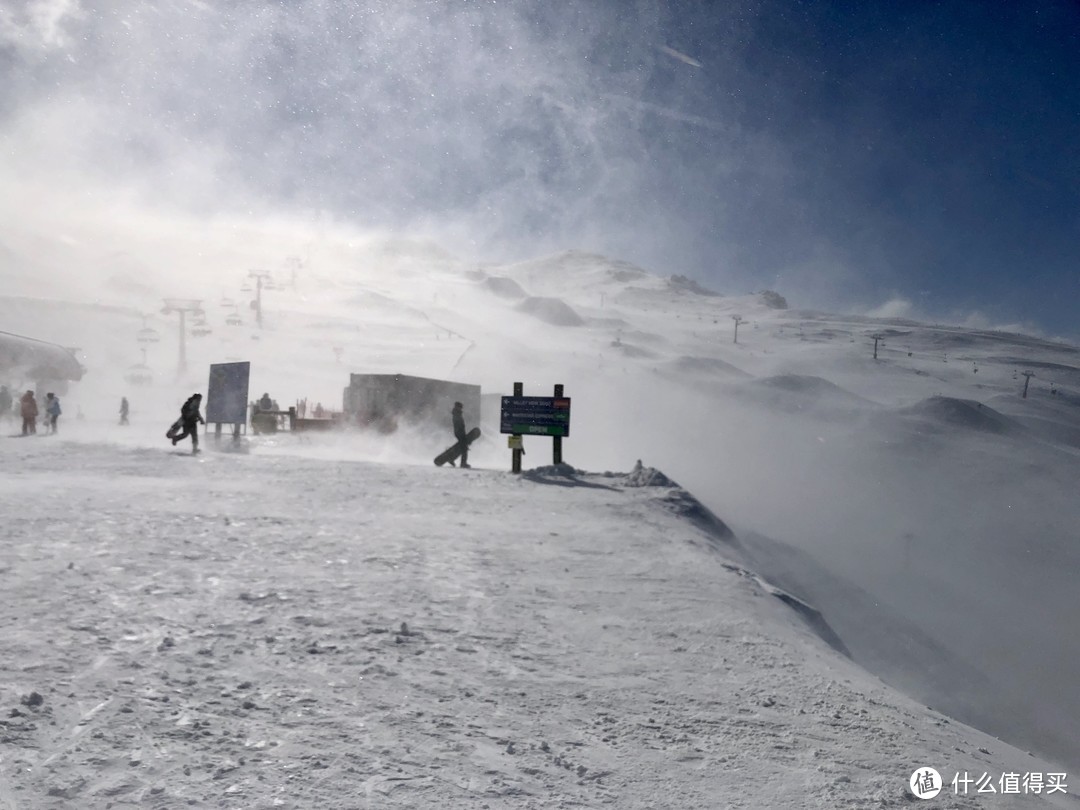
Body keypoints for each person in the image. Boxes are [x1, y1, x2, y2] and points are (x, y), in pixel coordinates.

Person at [451, 401, 471, 468]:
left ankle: (453, 459)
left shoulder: (457, 413)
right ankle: (463, 463)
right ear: (457, 407)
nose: (461, 409)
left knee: (462, 448)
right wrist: (462, 434)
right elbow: (459, 424)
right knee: (464, 448)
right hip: (459, 432)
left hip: (459, 432)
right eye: (460, 407)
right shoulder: (456, 414)